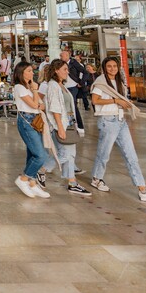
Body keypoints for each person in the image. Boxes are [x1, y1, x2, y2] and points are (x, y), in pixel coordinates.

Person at [89, 57, 146, 202]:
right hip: (107, 120)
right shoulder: (101, 82)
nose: (112, 69)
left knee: (131, 156)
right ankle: (97, 178)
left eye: (114, 66)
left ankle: (142, 189)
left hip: (120, 120)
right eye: (109, 66)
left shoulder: (119, 82)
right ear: (104, 68)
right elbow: (95, 100)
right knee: (104, 154)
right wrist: (116, 101)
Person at [39, 60, 91, 197]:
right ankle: (40, 171)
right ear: (56, 70)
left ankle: (72, 183)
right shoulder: (52, 86)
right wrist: (60, 127)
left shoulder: (61, 86)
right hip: (60, 123)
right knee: (64, 154)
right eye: (64, 69)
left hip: (68, 122)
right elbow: (55, 108)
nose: (67, 72)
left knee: (70, 154)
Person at [10, 62, 50, 199]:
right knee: (41, 155)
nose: (32, 73)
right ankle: (23, 179)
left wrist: (34, 93)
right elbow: (34, 104)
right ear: (21, 73)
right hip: (26, 122)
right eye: (29, 71)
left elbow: (42, 105)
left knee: (33, 154)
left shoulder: (29, 86)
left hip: (36, 121)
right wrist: (34, 91)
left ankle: (32, 183)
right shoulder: (19, 87)